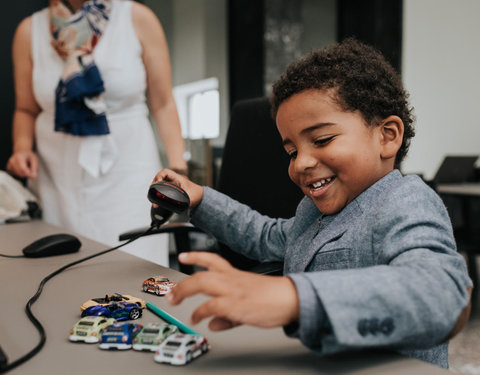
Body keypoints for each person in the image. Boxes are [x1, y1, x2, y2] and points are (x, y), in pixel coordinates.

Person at [152, 38, 472, 368]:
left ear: (387, 136)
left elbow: (442, 293)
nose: (301, 162)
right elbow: (265, 236)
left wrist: (294, 297)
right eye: (291, 152)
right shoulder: (312, 211)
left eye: (321, 140)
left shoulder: (406, 202)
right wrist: (201, 199)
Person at [6, 0, 187, 264]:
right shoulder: (29, 31)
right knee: (58, 272)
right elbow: (25, 108)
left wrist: (178, 167)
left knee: (130, 273)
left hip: (127, 176)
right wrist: (21, 148)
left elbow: (163, 103)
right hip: (56, 181)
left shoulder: (137, 18)